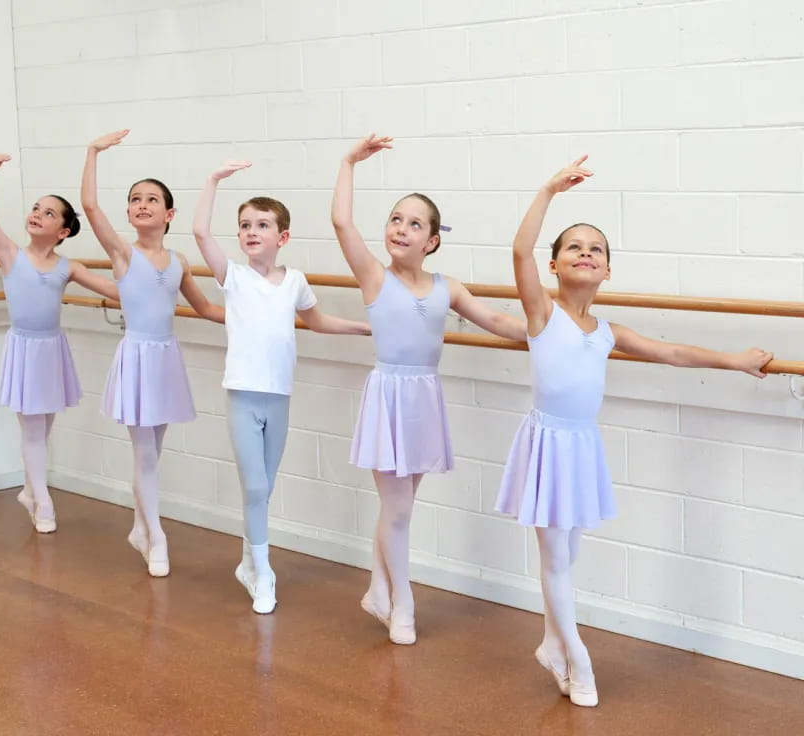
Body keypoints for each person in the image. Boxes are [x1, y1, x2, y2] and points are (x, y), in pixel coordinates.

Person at [496, 155, 773, 706]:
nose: (584, 252)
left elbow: (671, 351)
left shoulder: (607, 332)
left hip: (581, 446)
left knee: (566, 558)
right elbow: (519, 250)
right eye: (573, 246)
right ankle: (578, 657)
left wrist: (734, 359)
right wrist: (549, 190)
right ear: (554, 265)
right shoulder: (541, 316)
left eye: (595, 249)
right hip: (548, 443)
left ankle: (552, 643)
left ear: (607, 271)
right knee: (555, 560)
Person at [331, 135, 527, 645]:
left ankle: (379, 590)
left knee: (400, 508)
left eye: (414, 223)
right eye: (396, 219)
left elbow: (499, 320)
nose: (401, 228)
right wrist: (350, 162)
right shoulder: (374, 277)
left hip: (424, 401)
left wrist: (548, 332)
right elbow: (341, 223)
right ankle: (403, 604)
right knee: (397, 511)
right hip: (389, 397)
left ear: (432, 240)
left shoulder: (448, 287)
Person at [192, 160, 370, 613]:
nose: (252, 232)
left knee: (264, 488)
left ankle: (248, 562)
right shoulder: (233, 277)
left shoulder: (294, 282)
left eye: (262, 225)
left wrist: (362, 329)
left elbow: (317, 320)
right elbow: (199, 234)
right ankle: (264, 573)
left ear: (282, 237)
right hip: (243, 396)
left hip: (280, 398)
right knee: (254, 487)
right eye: (245, 225)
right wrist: (212, 180)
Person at [81, 130, 225, 577]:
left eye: (151, 199)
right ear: (128, 212)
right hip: (138, 358)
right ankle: (156, 536)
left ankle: (141, 528)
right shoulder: (124, 254)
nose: (142, 205)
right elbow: (89, 207)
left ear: (169, 213)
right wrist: (93, 152)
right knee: (144, 454)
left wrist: (258, 318)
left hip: (166, 359)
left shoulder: (179, 260)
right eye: (135, 200)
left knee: (152, 454)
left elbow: (203, 307)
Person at [0, 153, 119, 534]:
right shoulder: (11, 255)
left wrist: (147, 276)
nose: (38, 213)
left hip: (51, 349)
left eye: (49, 213)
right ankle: (43, 501)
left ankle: (28, 489)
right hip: (24, 349)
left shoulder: (67, 266)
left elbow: (115, 291)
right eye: (36, 208)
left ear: (63, 231)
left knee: (44, 426)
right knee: (32, 430)